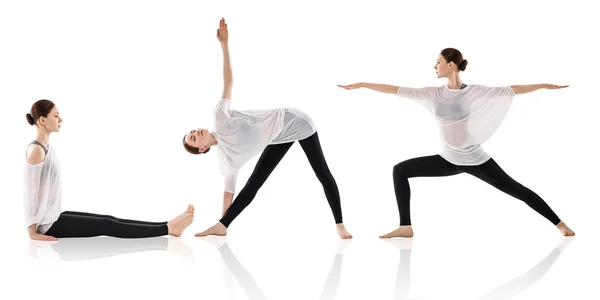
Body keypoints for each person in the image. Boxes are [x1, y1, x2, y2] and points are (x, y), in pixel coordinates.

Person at [338, 48, 575, 238]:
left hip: (475, 160)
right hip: (448, 160)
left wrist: (544, 85)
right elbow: (395, 90)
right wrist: (362, 84)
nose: (435, 66)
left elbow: (511, 90)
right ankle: (405, 227)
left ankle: (560, 224)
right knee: (400, 170)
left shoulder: (473, 91)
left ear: (451, 65)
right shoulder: (433, 94)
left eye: (438, 62)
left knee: (518, 191)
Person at [182, 18, 352, 239]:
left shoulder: (220, 118)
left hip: (294, 121)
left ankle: (340, 224)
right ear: (202, 150)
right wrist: (222, 219)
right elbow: (229, 192)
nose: (196, 133)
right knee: (254, 183)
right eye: (194, 139)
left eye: (194, 131)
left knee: (322, 173)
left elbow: (229, 81)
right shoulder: (227, 162)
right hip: (278, 137)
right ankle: (222, 226)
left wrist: (224, 44)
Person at [24, 99, 194, 240]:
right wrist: (33, 232)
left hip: (53, 217)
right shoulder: (36, 151)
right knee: (108, 226)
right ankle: (168, 228)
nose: (60, 119)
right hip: (47, 225)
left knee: (109, 220)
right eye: (55, 115)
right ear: (42, 120)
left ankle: (169, 225)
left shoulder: (46, 147)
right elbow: (30, 193)